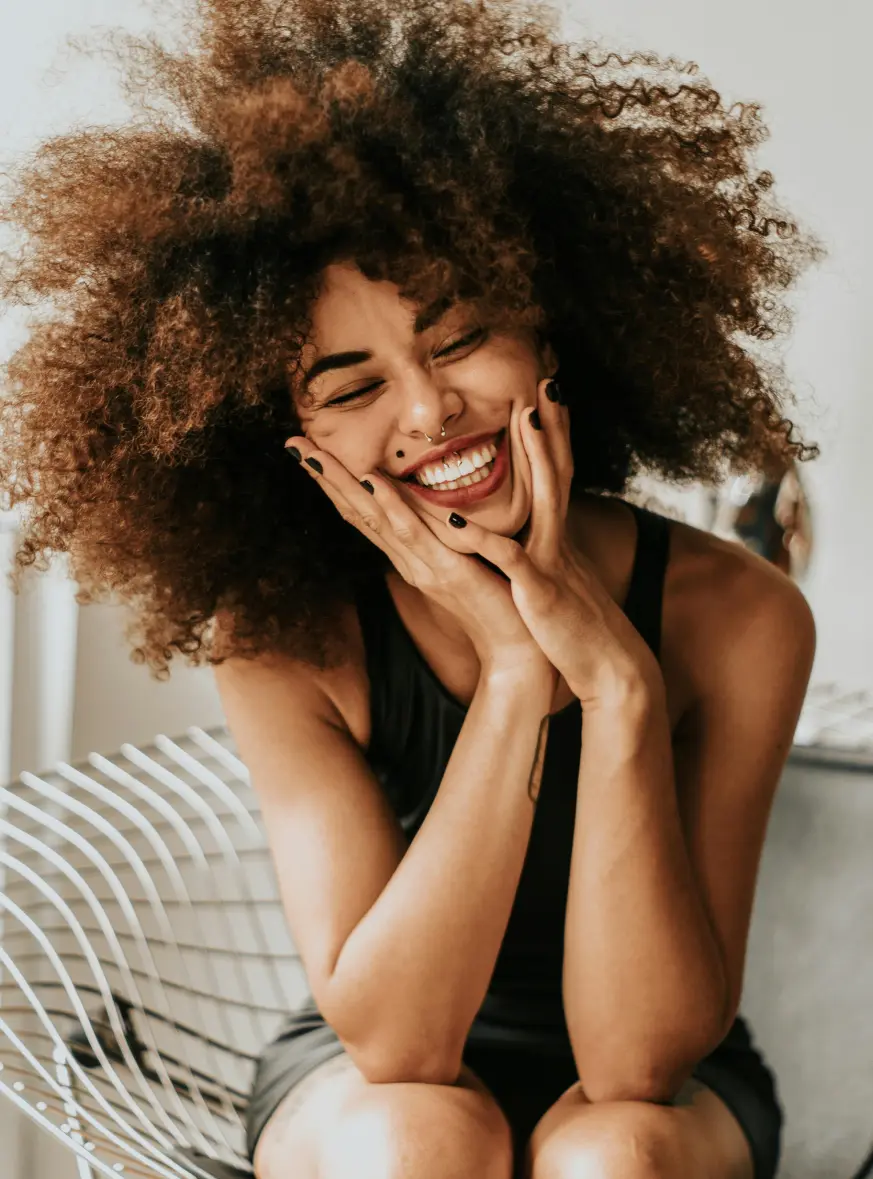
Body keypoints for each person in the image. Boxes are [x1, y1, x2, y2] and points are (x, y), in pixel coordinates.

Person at [0, 1, 823, 1176]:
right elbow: (396, 1043)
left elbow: (638, 1062)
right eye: (352, 387)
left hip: (671, 1093)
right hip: (367, 1078)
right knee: (414, 1140)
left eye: (457, 336)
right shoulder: (287, 642)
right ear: (290, 443)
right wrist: (515, 670)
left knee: (616, 1155)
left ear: (550, 329)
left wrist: (622, 693)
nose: (431, 411)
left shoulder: (740, 618)